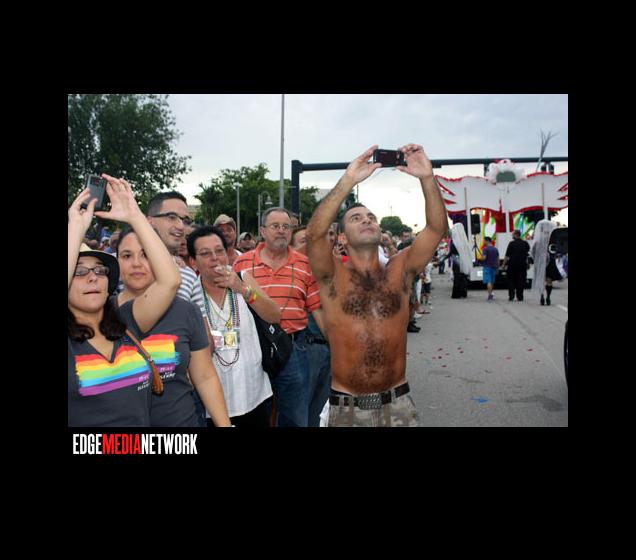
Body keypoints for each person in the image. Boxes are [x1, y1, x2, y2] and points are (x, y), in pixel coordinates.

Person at [306, 143, 448, 427]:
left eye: (371, 217)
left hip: (397, 405)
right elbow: (314, 235)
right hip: (347, 409)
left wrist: (427, 178)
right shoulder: (332, 275)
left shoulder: (401, 270)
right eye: (356, 218)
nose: (367, 220)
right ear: (342, 237)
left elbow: (435, 229)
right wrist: (348, 180)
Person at [68, 175, 181, 427]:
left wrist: (135, 217)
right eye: (79, 271)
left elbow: (170, 281)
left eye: (100, 271)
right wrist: (76, 228)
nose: (92, 277)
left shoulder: (125, 322)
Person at [114, 227, 232, 427]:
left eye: (146, 254)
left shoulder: (186, 311)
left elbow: (205, 377)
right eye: (126, 255)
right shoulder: (99, 314)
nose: (136, 263)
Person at [234, 207, 323, 427]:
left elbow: (317, 308)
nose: (281, 231)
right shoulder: (242, 263)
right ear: (262, 231)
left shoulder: (305, 264)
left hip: (294, 349)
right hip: (253, 348)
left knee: (294, 417)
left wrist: (336, 344)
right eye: (275, 226)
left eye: (286, 226)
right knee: (255, 414)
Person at [188, 226, 280, 427]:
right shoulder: (189, 294)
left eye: (219, 251)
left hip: (255, 394)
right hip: (212, 405)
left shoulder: (242, 278)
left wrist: (243, 290)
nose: (215, 258)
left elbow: (275, 315)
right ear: (193, 261)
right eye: (205, 253)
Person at [291, 225, 333, 427]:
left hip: (330, 348)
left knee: (320, 411)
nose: (311, 245)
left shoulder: (330, 269)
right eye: (303, 241)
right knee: (300, 411)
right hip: (307, 348)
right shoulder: (293, 274)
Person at [504, 229, 530, 302]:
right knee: (521, 280)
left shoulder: (511, 244)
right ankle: (520, 296)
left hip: (512, 265)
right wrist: (528, 263)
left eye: (513, 234)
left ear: (516, 235)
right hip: (522, 265)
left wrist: (503, 264)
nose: (512, 235)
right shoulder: (525, 243)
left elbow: (507, 255)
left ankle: (511, 295)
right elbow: (527, 254)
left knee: (511, 280)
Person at [478, 236, 499, 301]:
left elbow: (484, 258)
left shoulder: (485, 249)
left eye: (484, 240)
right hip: (494, 267)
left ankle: (490, 295)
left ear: (487, 241)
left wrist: (480, 258)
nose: (483, 242)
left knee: (488, 281)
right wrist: (497, 267)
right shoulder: (495, 249)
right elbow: (497, 259)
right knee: (492, 282)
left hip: (487, 267)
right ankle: (491, 294)